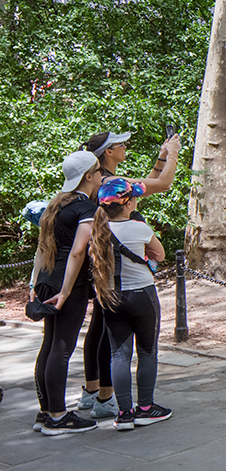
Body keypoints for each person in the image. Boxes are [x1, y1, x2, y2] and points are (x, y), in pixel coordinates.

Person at [74, 129, 181, 417]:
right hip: (134, 284)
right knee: (132, 347)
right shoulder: (112, 183)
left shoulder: (104, 183)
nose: (125, 147)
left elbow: (149, 180)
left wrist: (160, 157)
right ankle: (117, 400)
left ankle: (98, 395)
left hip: (108, 277)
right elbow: (163, 183)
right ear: (108, 152)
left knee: (102, 331)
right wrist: (173, 153)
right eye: (120, 144)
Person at [89, 178, 171, 430]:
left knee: (118, 355)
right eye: (133, 197)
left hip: (112, 297)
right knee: (147, 351)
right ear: (127, 204)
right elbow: (160, 254)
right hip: (142, 295)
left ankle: (124, 413)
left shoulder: (97, 230)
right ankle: (145, 408)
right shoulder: (139, 228)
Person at [32, 150, 103, 435]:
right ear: (88, 176)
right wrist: (65, 291)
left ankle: (46, 412)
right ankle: (59, 417)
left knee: (49, 345)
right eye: (98, 170)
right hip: (67, 284)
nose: (101, 175)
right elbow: (77, 253)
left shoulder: (57, 204)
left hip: (47, 278)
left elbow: (41, 248)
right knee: (62, 348)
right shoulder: (86, 208)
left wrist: (33, 286)